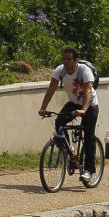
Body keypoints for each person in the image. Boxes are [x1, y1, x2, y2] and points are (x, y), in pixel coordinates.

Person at [38, 45, 99, 186]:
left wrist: (84, 109)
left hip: (89, 104)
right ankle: (68, 150)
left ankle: (89, 170)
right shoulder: (60, 71)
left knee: (88, 135)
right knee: (59, 122)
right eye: (64, 59)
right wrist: (43, 108)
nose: (65, 62)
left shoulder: (84, 70)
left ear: (76, 60)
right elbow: (51, 88)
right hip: (73, 102)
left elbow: (88, 90)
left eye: (69, 59)